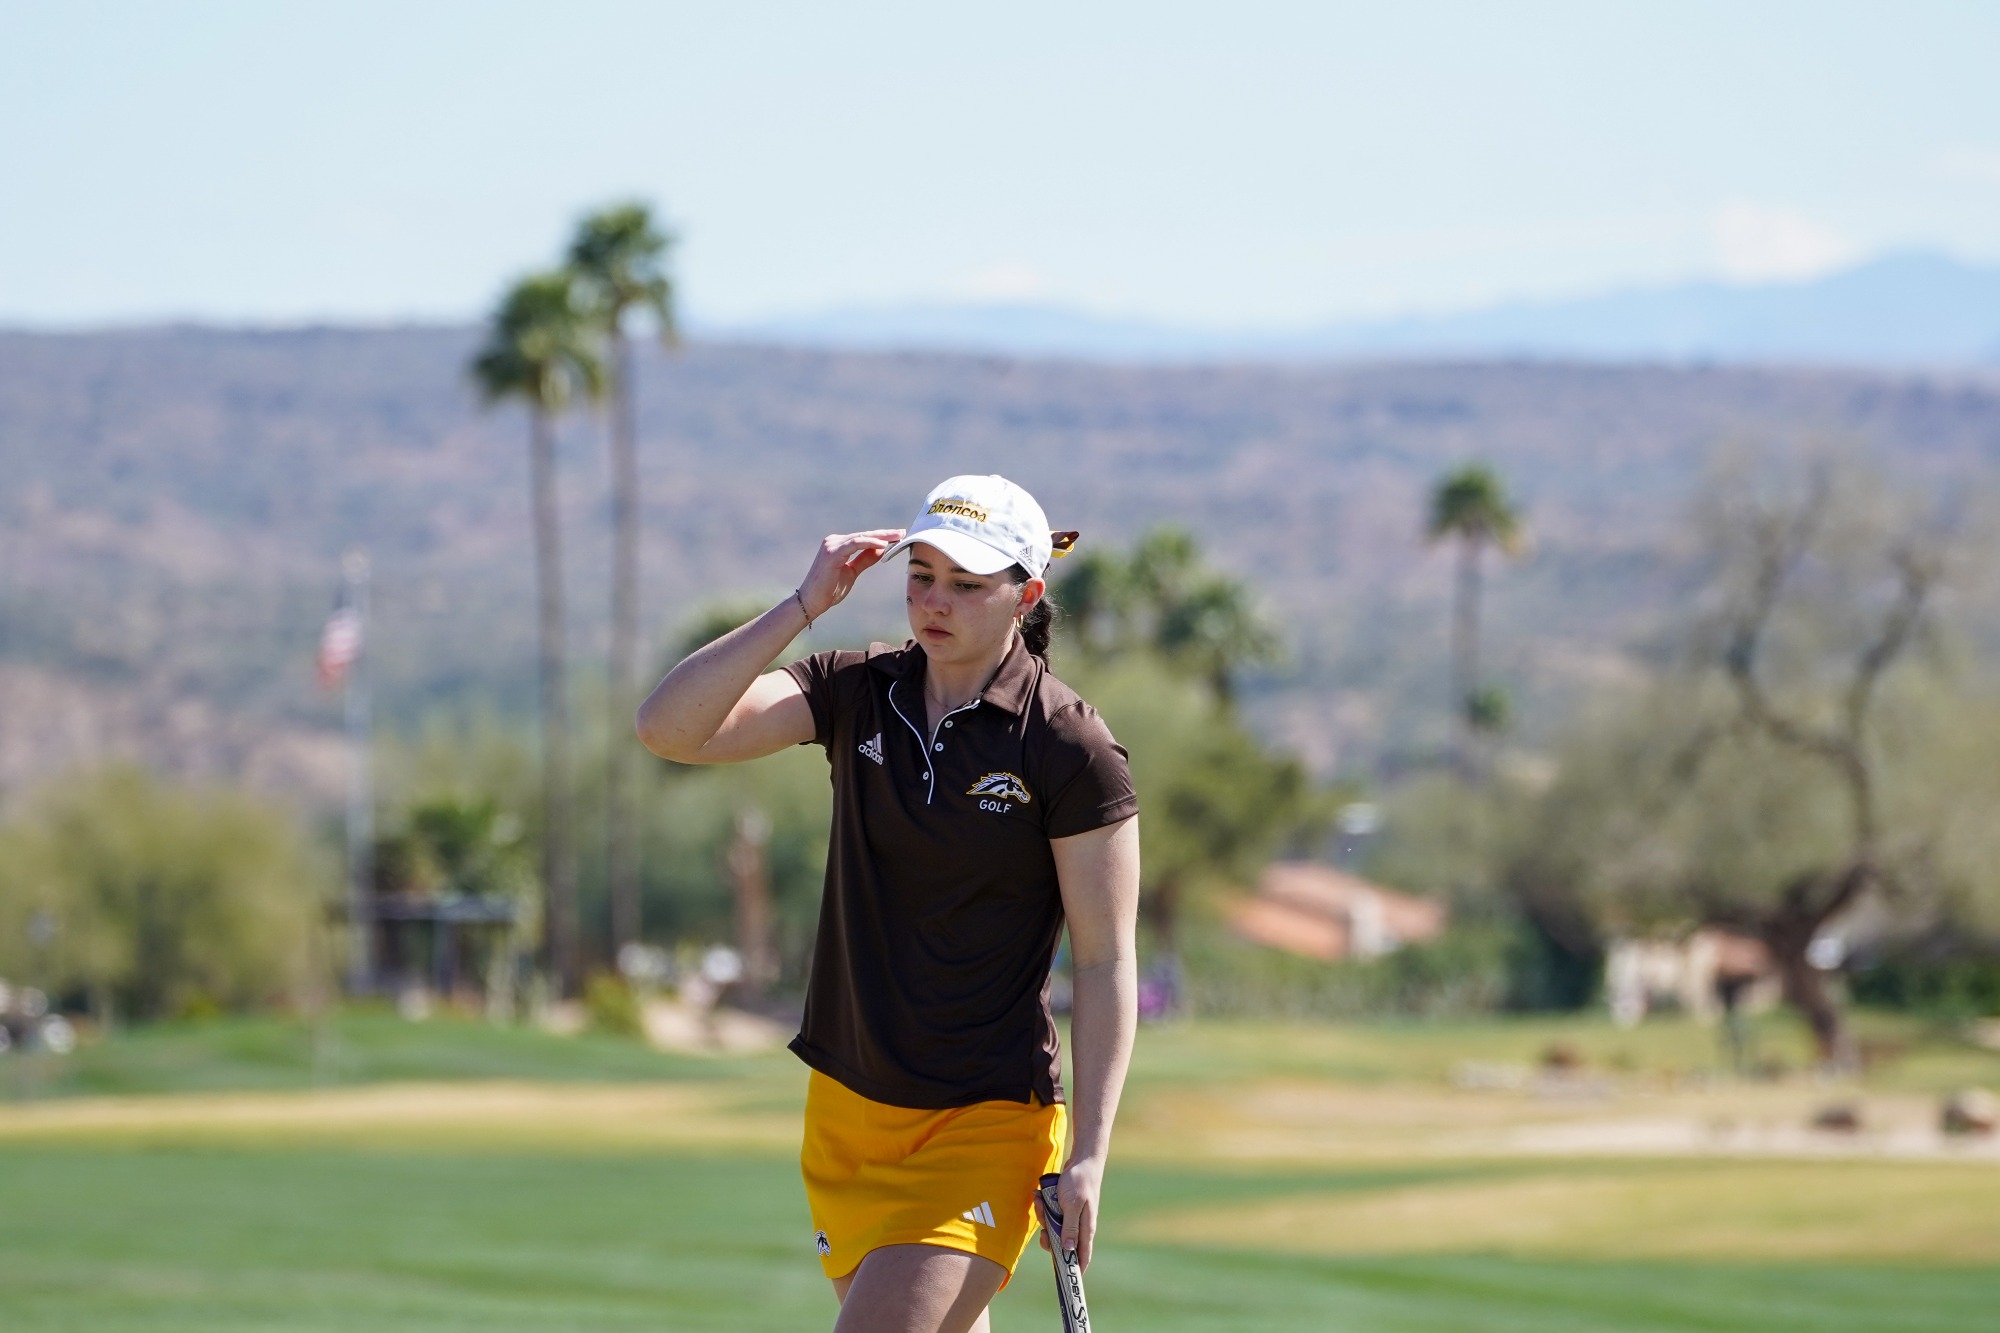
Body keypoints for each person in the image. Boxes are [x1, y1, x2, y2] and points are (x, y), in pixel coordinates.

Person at [637, 474, 1140, 1333]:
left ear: (1027, 592)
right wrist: (804, 603)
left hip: (984, 1122)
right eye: (921, 575)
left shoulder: (1067, 745)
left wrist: (1089, 1152)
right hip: (849, 1112)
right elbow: (670, 728)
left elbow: (1103, 957)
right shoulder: (856, 688)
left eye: (967, 584)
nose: (934, 601)